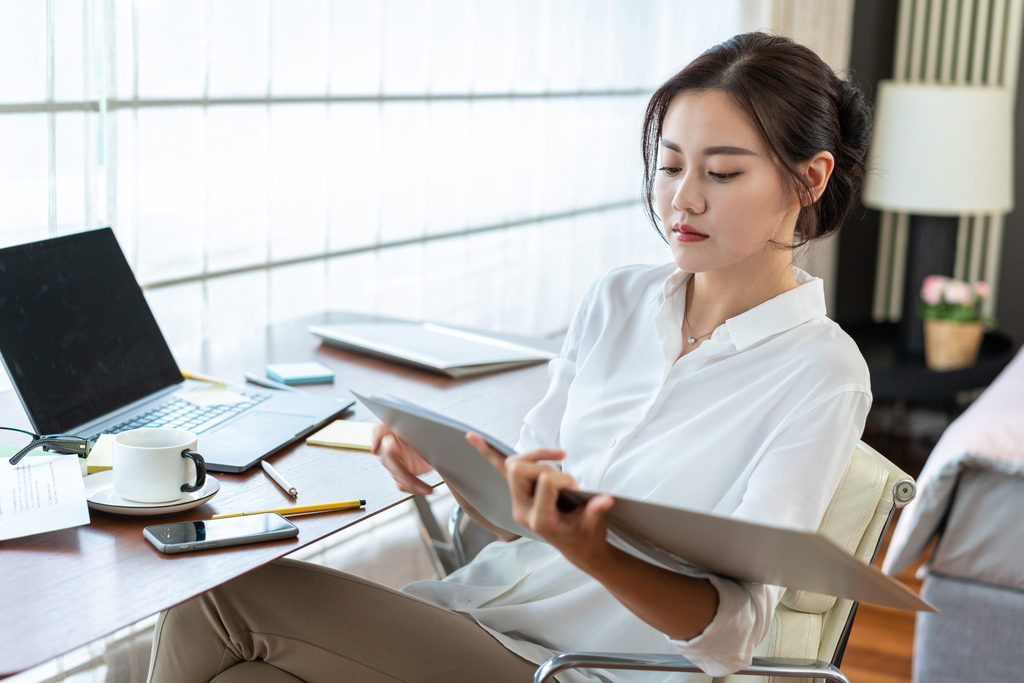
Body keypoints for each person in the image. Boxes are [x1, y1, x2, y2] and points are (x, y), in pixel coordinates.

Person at [147, 32, 873, 683]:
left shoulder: (821, 373)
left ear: (808, 181)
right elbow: (522, 516)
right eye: (670, 164)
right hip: (480, 619)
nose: (683, 199)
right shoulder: (616, 301)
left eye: (721, 174)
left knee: (214, 599)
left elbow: (733, 639)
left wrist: (594, 553)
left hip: (579, 669)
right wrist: (451, 465)